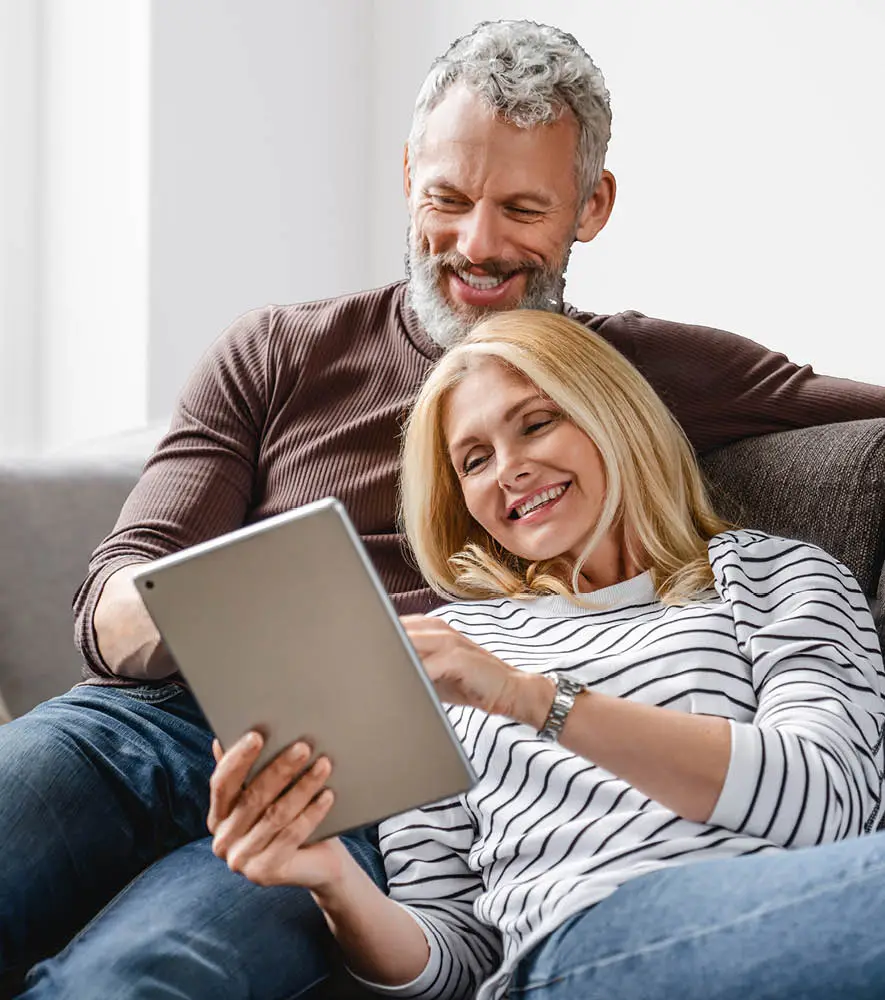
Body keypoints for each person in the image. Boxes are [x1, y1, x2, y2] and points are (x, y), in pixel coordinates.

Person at [2, 17, 884, 1000]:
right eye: (449, 198)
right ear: (407, 174)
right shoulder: (279, 352)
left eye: (521, 207)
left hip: (364, 779)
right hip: (157, 718)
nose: (477, 243)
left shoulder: (654, 378)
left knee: (149, 970)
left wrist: (472, 692)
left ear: (591, 206)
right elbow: (109, 605)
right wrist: (278, 619)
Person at [209, 308, 885, 1000]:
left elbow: (828, 802)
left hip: (800, 933)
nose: (509, 470)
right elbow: (453, 958)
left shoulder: (775, 577)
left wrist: (531, 700)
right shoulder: (454, 652)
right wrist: (332, 879)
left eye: (535, 423)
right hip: (582, 946)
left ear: (612, 416)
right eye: (473, 460)